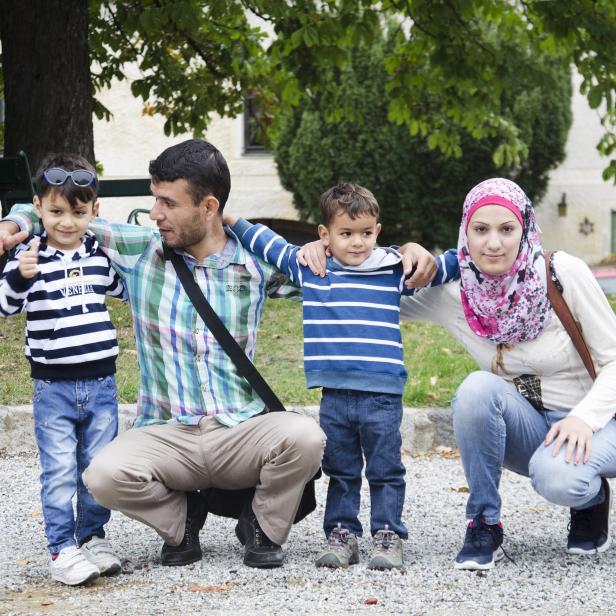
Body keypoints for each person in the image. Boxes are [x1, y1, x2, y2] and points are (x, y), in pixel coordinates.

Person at [0, 139, 327, 570]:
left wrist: (411, 256)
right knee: (101, 475)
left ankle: (261, 526)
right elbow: (57, 211)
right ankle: (181, 522)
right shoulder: (140, 250)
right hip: (167, 434)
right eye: (156, 200)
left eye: (167, 203)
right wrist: (14, 218)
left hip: (238, 428)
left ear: (208, 207)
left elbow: (336, 274)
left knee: (307, 438)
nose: (155, 214)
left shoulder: (254, 263)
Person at [225, 182, 458, 571]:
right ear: (325, 234)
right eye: (346, 234)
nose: (357, 242)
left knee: (386, 469)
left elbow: (444, 267)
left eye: (366, 233)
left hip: (382, 394)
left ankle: (388, 535)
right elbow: (268, 244)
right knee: (341, 470)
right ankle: (342, 534)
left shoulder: (391, 269)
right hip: (334, 394)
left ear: (377, 231)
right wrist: (232, 220)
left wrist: (417, 250)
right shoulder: (313, 268)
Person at [396, 178, 616, 570]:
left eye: (506, 229)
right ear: (466, 231)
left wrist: (584, 418)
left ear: (525, 228)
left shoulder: (563, 274)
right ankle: (484, 522)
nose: (493, 243)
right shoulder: (457, 292)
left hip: (599, 422)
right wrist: (402, 256)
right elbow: (370, 289)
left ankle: (591, 500)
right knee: (476, 389)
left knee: (558, 479)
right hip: (537, 429)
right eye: (480, 230)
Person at [0, 154, 126, 586]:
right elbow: (5, 306)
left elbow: (128, 292)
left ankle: (93, 536)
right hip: (52, 386)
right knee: (58, 471)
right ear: (38, 208)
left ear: (94, 211)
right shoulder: (28, 257)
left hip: (102, 383)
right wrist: (18, 276)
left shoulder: (100, 256)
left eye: (77, 212)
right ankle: (62, 547)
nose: (67, 222)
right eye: (56, 211)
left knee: (96, 467)